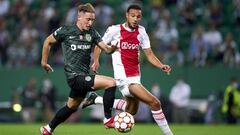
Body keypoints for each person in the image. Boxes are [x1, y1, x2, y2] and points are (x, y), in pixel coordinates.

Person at [82, 4, 173, 135]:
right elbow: (99, 45)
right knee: (155, 103)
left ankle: (95, 99)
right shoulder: (114, 30)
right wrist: (96, 61)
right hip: (124, 79)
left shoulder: (141, 31)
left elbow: (149, 54)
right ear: (127, 15)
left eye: (138, 16)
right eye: (133, 16)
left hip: (136, 77)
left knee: (132, 110)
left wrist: (161, 65)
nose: (136, 19)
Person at [40, 3, 118, 135]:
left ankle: (48, 129)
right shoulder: (66, 30)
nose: (90, 22)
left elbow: (106, 49)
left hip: (82, 77)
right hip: (75, 77)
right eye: (88, 19)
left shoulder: (92, 33)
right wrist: (44, 62)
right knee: (111, 83)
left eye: (93, 20)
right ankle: (107, 119)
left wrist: (113, 48)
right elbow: (48, 41)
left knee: (71, 107)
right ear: (79, 17)